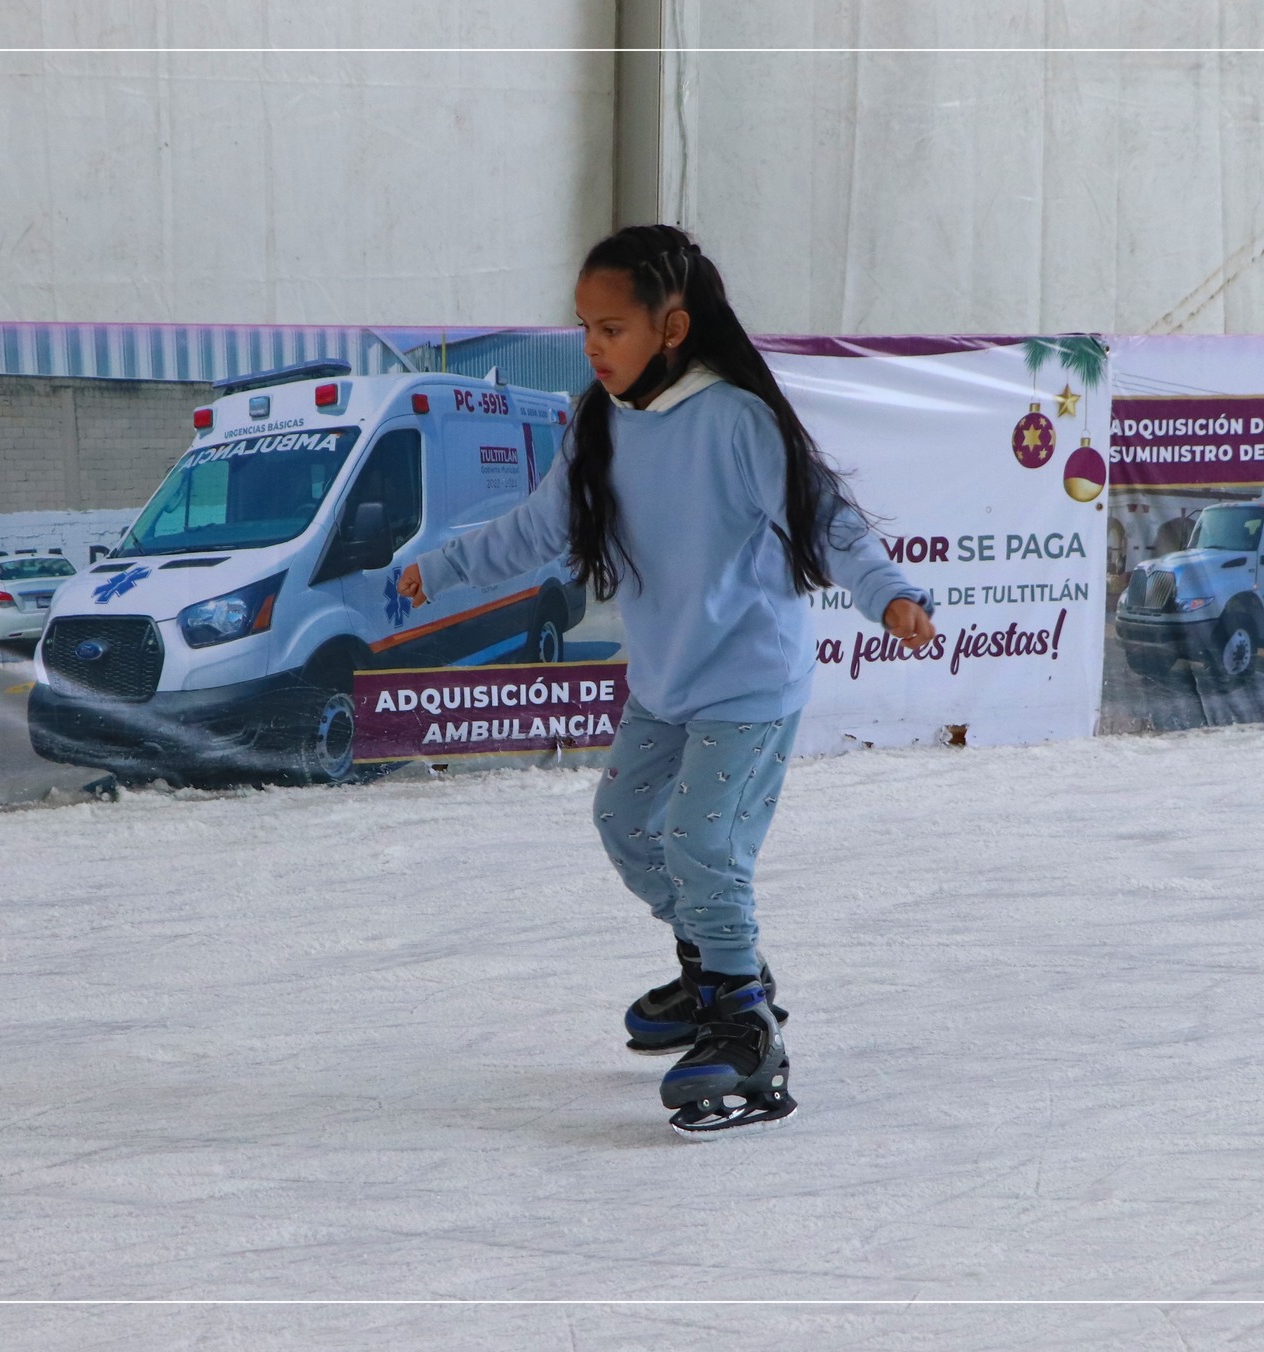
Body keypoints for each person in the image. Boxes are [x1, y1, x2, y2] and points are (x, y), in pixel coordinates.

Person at [397, 224, 935, 1138]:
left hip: (748, 682)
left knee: (700, 841)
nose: (594, 348)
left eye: (612, 329)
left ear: (673, 328)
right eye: (585, 329)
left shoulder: (735, 419)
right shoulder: (603, 421)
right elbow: (540, 529)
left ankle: (744, 1021)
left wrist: (888, 595)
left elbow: (828, 520)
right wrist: (440, 570)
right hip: (666, 679)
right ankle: (718, 970)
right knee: (621, 822)